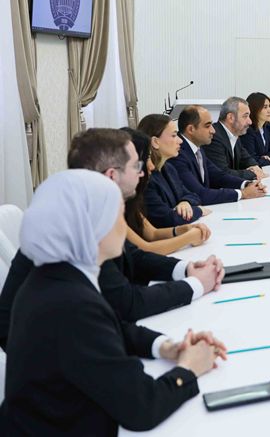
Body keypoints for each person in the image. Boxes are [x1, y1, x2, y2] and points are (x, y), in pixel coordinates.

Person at [0, 169, 226, 435]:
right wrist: (189, 368)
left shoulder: (54, 276)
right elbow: (141, 407)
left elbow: (110, 328)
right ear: (95, 227)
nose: (125, 226)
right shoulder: (72, 304)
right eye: (119, 214)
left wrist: (168, 347)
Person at [0, 128, 223, 348]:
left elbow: (134, 256)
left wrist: (187, 269)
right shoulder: (79, 221)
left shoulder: (90, 204)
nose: (143, 172)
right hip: (45, 350)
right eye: (136, 166)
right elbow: (127, 303)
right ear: (111, 175)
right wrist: (196, 284)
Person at [123, 127, 212, 255]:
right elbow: (146, 248)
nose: (151, 166)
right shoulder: (111, 205)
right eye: (145, 159)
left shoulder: (168, 168)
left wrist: (184, 229)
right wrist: (189, 237)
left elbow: (152, 233)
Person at [170, 105, 266, 205]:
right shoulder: (177, 154)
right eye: (207, 126)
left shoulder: (198, 148)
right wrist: (243, 193)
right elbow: (199, 194)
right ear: (191, 129)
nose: (213, 130)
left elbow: (218, 176)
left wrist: (246, 184)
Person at [138, 114, 209, 228]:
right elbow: (167, 219)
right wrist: (198, 210)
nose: (180, 141)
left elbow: (192, 195)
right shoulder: (145, 176)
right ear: (155, 142)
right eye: (174, 135)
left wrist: (185, 202)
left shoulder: (168, 168)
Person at [204, 96, 267, 181]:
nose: (250, 122)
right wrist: (253, 173)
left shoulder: (234, 134)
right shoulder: (214, 137)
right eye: (245, 116)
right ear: (231, 117)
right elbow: (223, 174)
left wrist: (255, 167)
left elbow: (246, 159)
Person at [242, 92, 270, 164]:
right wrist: (267, 161)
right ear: (255, 109)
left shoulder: (267, 128)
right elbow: (250, 158)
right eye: (265, 107)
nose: (269, 110)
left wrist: (268, 157)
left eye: (269, 106)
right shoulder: (248, 130)